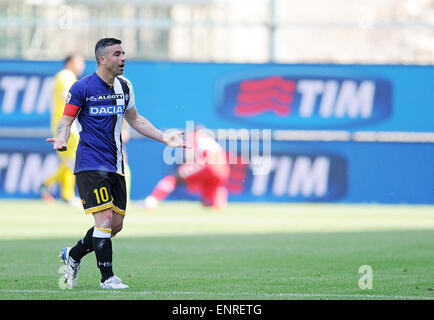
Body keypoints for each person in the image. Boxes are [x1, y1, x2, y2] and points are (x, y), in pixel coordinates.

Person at [46, 38, 186, 289]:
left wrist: (164, 137)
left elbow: (136, 119)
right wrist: (61, 139)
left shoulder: (125, 86)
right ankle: (107, 278)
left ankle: (73, 255)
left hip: (116, 165)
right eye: (117, 54)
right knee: (105, 221)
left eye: (123, 53)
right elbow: (66, 121)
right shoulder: (82, 88)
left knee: (115, 226)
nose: (123, 58)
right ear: (102, 59)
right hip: (90, 163)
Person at [143, 127, 230, 210]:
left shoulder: (194, 137)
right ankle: (218, 199)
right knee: (208, 203)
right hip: (223, 170)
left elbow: (190, 155)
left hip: (206, 166)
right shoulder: (212, 141)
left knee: (174, 177)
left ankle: (152, 201)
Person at [40, 54, 85, 205]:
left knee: (70, 159)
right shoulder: (66, 75)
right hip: (67, 125)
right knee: (74, 159)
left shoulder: (65, 76)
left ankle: (58, 190)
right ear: (70, 62)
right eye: (80, 61)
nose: (82, 65)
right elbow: (66, 96)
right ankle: (64, 193)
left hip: (64, 123)